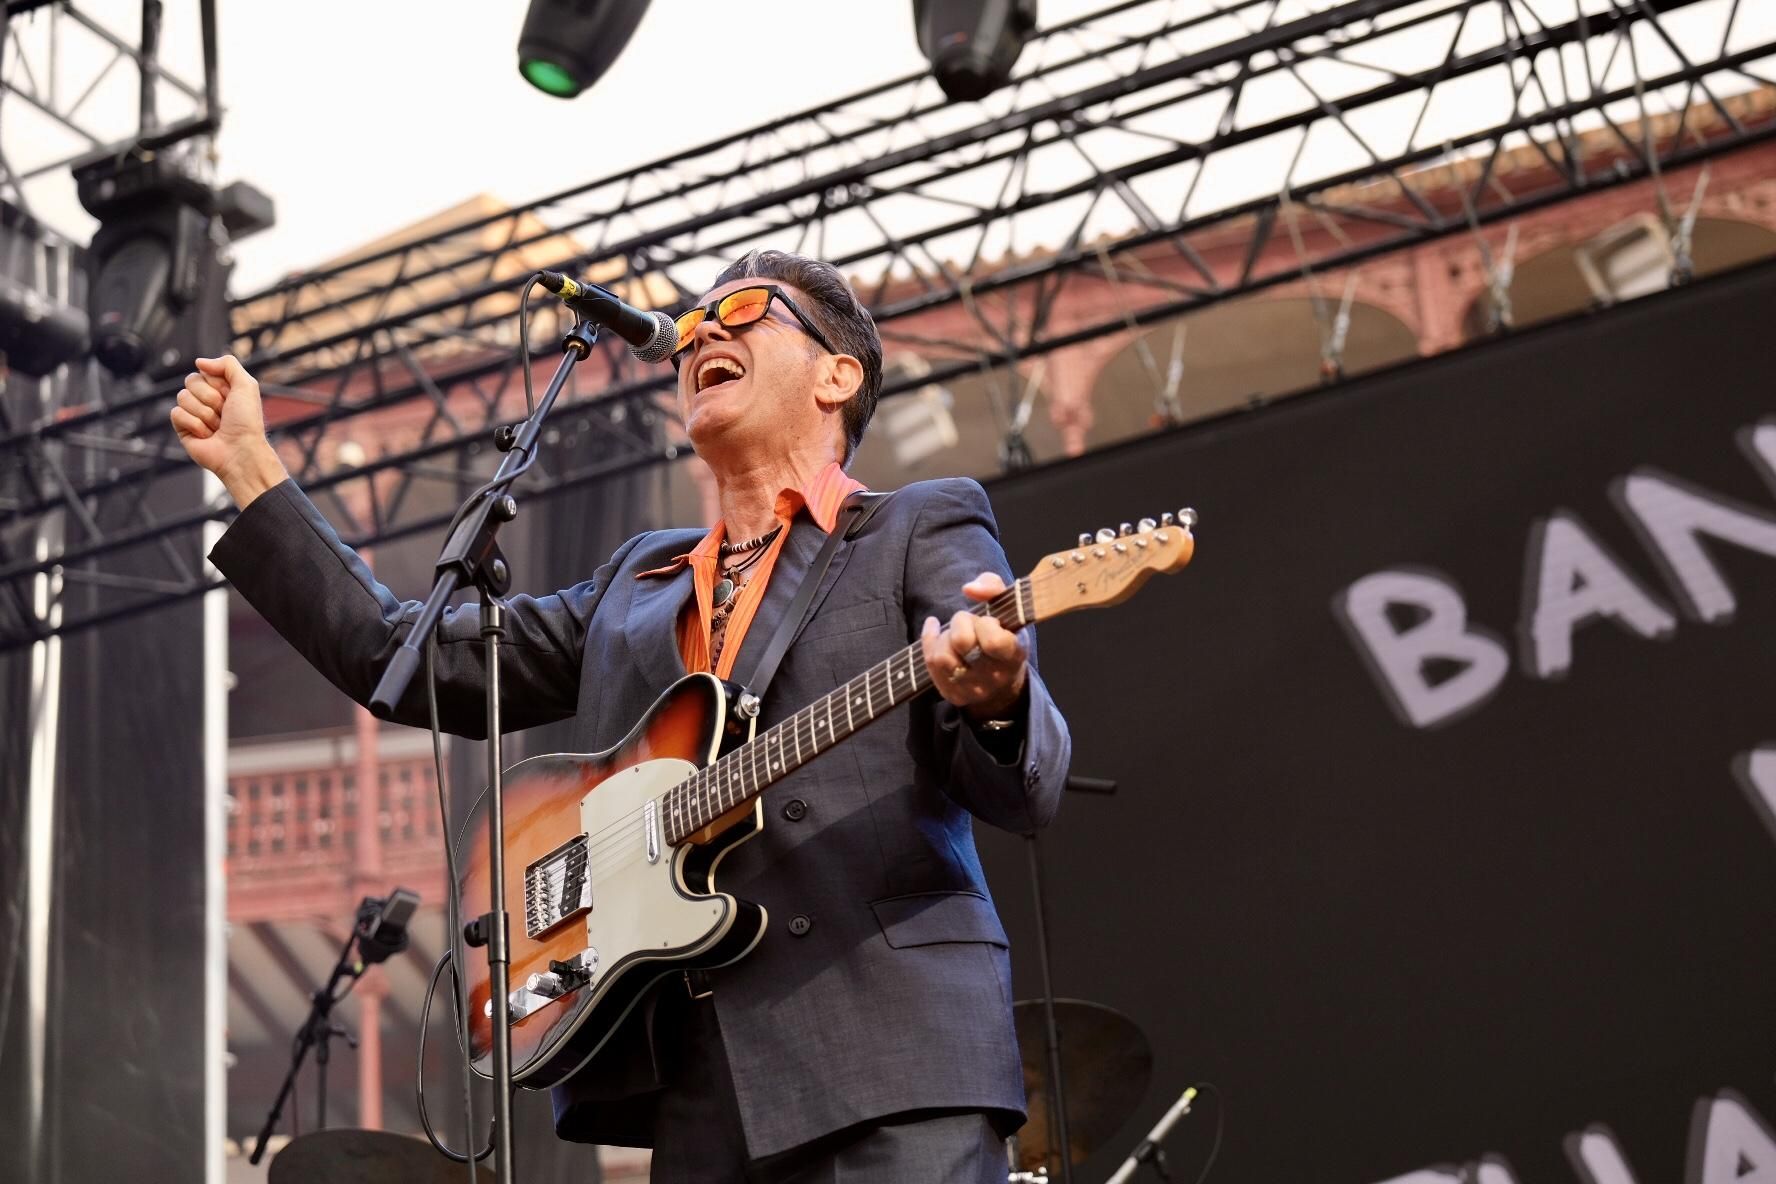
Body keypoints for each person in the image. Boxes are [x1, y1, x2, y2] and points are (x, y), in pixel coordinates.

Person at [173, 249, 1070, 1182]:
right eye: (694, 322)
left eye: (748, 310)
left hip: (892, 1062)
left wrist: (999, 700)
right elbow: (404, 655)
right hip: (699, 1086)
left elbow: (1022, 780)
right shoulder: (637, 583)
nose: (706, 331)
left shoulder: (918, 525)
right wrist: (249, 466)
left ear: (837, 375)